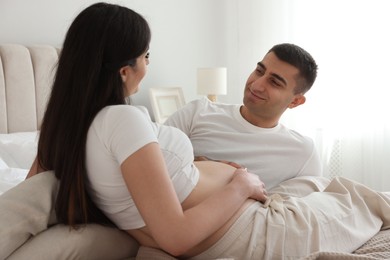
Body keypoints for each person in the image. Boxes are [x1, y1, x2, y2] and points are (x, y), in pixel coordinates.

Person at [27, 2, 390, 260]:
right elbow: (175, 237)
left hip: (258, 214)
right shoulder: (126, 120)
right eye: (146, 55)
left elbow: (30, 193)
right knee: (362, 197)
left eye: (275, 81)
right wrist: (240, 185)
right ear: (124, 69)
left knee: (324, 186)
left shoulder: (66, 130)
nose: (258, 83)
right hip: (256, 230)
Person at [165, 43, 322, 190]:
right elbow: (146, 165)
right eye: (259, 71)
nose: (257, 85)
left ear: (295, 101)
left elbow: (300, 213)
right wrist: (204, 168)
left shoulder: (303, 153)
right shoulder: (196, 112)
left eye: (274, 82)